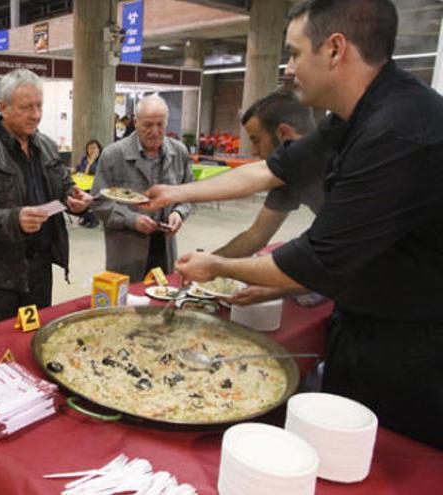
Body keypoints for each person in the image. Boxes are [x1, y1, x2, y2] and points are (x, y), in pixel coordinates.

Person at [146, 0, 443, 449]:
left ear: (335, 49)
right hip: (364, 319)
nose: (288, 67)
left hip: (413, 344)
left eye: (296, 52)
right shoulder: (349, 119)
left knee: (386, 461)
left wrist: (217, 266)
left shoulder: (399, 130)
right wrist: (177, 192)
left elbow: (313, 260)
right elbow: (267, 171)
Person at [0, 68, 92, 326]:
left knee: (35, 340)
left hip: (41, 268)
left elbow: (64, 186)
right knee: (0, 347)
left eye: (39, 105)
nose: (36, 115)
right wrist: (13, 219)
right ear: (2, 107)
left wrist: (76, 200)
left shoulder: (47, 146)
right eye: (26, 107)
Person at [213, 89, 326, 305]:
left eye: (256, 140)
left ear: (284, 135)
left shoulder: (342, 167)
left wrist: (276, 291)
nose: (254, 151)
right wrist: (211, 261)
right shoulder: (288, 174)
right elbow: (256, 235)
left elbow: (341, 257)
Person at [91, 94, 194, 280]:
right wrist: (131, 219)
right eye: (147, 125)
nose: (155, 131)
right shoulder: (113, 155)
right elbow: (99, 203)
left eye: (160, 124)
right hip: (127, 250)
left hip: (165, 247)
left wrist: (179, 213)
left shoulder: (179, 152)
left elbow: (188, 194)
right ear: (136, 122)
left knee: (161, 297)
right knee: (125, 303)